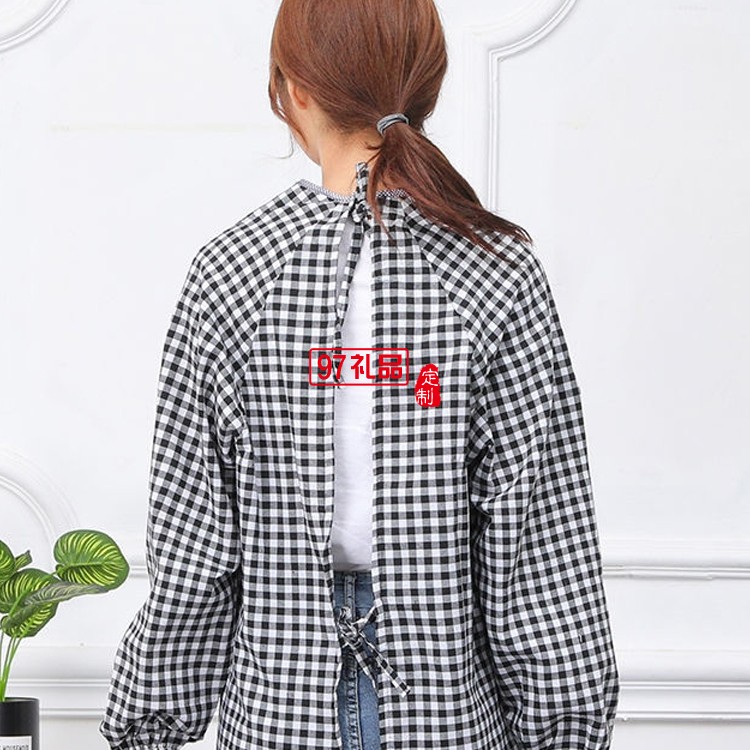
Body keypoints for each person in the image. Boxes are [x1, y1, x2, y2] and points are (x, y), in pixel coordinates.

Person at [99, 0, 620, 748]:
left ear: (294, 90)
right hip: (446, 715)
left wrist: (145, 728)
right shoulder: (497, 273)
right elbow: (540, 555)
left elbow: (194, 552)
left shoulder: (231, 274)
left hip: (277, 715)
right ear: (426, 85)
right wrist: (563, 729)